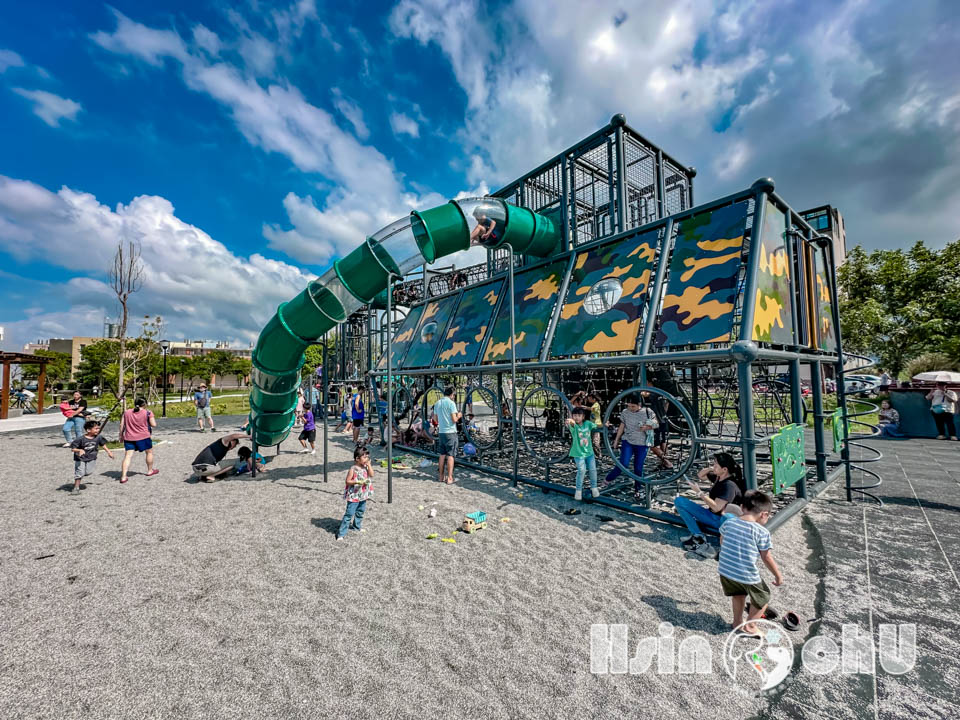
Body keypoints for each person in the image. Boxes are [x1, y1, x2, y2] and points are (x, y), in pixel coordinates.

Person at [718, 490, 783, 634]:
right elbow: (766, 557)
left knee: (738, 595)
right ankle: (750, 626)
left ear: (741, 507)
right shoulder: (761, 532)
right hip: (746, 574)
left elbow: (722, 541)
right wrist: (778, 575)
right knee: (763, 598)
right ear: (764, 514)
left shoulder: (729, 523)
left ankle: (737, 622)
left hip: (726, 571)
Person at [675, 452, 745, 558]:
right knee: (679, 501)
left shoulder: (729, 486)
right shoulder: (719, 477)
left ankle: (722, 545)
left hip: (721, 519)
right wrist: (712, 468)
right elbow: (700, 475)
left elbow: (717, 507)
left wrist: (699, 493)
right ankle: (698, 535)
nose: (714, 465)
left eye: (716, 464)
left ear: (725, 469)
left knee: (725, 516)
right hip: (711, 515)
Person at [603, 394, 657, 496]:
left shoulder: (648, 412)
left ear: (639, 405)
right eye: (629, 406)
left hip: (642, 443)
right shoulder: (625, 412)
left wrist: (646, 427)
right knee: (623, 464)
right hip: (628, 441)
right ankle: (607, 480)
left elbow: (656, 424)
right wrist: (616, 440)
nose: (630, 408)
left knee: (638, 467)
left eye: (633, 406)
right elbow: (622, 426)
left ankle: (638, 489)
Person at [119, 397, 159, 484]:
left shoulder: (126, 412)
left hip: (129, 437)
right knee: (149, 452)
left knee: (128, 456)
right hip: (143, 437)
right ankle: (150, 470)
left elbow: (122, 424)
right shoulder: (148, 412)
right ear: (145, 404)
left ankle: (123, 476)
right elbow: (154, 424)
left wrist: (121, 435)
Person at [337, 446, 374, 541]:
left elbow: (372, 474)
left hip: (363, 494)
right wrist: (356, 482)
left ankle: (356, 527)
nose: (367, 459)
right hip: (354, 495)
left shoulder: (366, 467)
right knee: (349, 514)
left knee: (360, 512)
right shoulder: (353, 469)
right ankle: (341, 534)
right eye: (365, 457)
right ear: (357, 459)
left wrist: (369, 465)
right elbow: (347, 481)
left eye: (368, 457)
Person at [69, 420, 114, 495]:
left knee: (88, 472)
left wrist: (109, 452)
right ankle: (76, 488)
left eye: (98, 428)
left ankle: (81, 475)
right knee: (79, 472)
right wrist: (79, 450)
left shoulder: (98, 437)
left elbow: (103, 444)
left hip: (92, 458)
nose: (98, 430)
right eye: (96, 428)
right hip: (80, 458)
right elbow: (73, 448)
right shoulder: (80, 439)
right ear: (88, 430)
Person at [566, 406, 599, 501]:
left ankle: (594, 487)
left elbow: (596, 425)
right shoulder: (574, 426)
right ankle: (578, 490)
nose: (576, 417)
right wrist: (570, 421)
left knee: (593, 470)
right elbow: (571, 423)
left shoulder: (588, 424)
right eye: (574, 415)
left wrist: (605, 424)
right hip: (578, 453)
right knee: (582, 470)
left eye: (579, 415)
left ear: (583, 416)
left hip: (589, 453)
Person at [431, 386, 461, 485]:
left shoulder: (437, 403)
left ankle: (440, 476)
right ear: (452, 394)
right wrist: (459, 415)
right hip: (451, 432)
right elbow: (454, 419)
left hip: (441, 432)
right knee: (450, 455)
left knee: (442, 454)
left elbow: (435, 419)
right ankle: (450, 478)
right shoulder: (451, 404)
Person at [642, 391, 674, 470]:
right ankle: (664, 463)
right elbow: (667, 404)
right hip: (663, 420)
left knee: (651, 444)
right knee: (663, 442)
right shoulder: (662, 393)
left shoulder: (649, 393)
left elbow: (644, 393)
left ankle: (667, 462)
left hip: (654, 422)